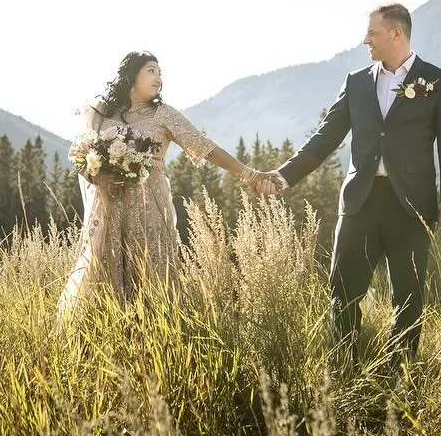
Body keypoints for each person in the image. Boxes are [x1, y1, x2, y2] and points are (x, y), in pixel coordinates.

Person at [257, 3, 441, 363]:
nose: (365, 39)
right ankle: (344, 370)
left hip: (411, 207)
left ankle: (399, 379)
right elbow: (325, 137)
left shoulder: (438, 81)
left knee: (409, 298)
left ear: (396, 33)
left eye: (373, 32)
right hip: (359, 204)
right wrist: (284, 174)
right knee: (343, 292)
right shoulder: (355, 82)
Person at [57, 51, 279, 316]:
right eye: (151, 71)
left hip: (148, 205)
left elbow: (204, 146)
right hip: (110, 208)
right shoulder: (104, 113)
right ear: (132, 74)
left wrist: (250, 174)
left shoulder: (164, 114)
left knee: (152, 273)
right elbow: (84, 154)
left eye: (160, 73)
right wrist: (95, 175)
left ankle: (156, 339)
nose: (159, 78)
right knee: (106, 272)